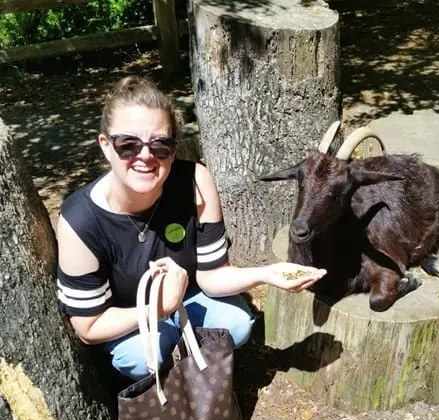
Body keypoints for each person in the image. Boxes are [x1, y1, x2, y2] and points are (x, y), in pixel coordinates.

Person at [56, 75, 325, 381]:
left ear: (173, 150)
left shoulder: (195, 182)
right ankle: (155, 384)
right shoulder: (80, 221)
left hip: (188, 299)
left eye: (160, 145)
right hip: (126, 318)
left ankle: (192, 375)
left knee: (236, 322)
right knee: (142, 355)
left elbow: (212, 277)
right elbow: (88, 328)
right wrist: (158, 308)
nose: (145, 156)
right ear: (106, 146)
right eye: (128, 144)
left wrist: (267, 274)